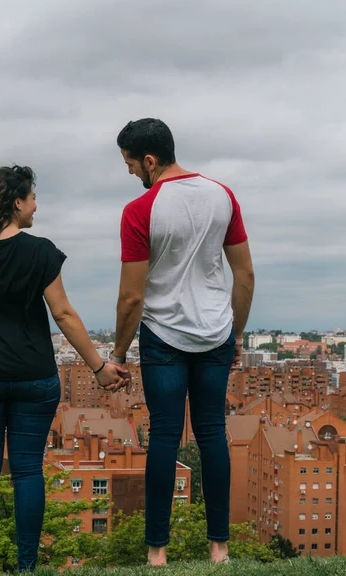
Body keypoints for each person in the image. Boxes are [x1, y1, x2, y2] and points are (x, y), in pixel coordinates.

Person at [0, 165, 129, 575]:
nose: (35, 206)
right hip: (34, 378)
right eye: (32, 198)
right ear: (17, 202)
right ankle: (27, 568)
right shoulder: (41, 251)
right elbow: (62, 313)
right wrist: (98, 368)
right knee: (28, 471)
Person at [108, 119, 255, 566]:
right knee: (212, 434)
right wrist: (236, 336)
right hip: (214, 333)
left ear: (149, 160)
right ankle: (219, 550)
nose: (131, 172)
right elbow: (244, 275)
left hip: (164, 335)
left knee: (165, 438)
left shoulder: (140, 210)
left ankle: (157, 553)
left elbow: (132, 296)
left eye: (131, 164)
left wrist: (116, 353)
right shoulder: (222, 196)